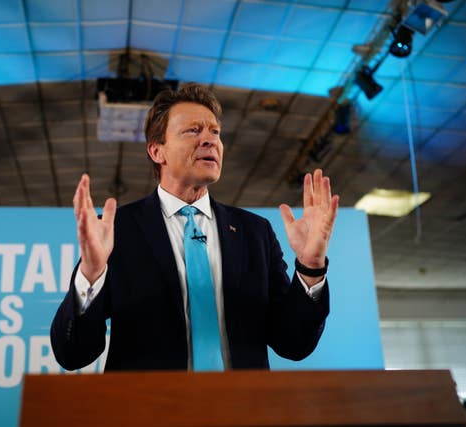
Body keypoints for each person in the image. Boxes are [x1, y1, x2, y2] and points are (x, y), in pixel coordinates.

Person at [50, 83, 339, 371]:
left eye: (215, 132)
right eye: (193, 131)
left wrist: (310, 267)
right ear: (156, 151)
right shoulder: (119, 230)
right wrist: (90, 275)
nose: (209, 140)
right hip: (149, 412)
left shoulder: (255, 232)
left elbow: (293, 343)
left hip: (242, 411)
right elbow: (73, 354)